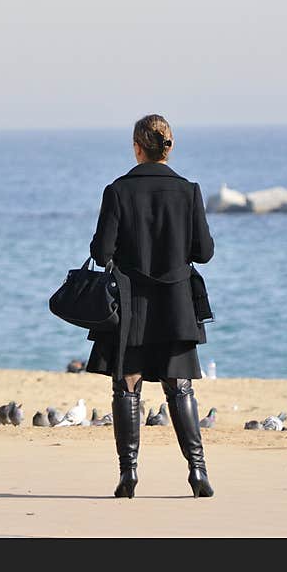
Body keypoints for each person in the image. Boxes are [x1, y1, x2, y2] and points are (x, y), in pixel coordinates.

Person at [86, 114, 215, 500]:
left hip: (130, 303)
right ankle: (197, 472)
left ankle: (129, 475)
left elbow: (100, 251)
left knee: (128, 387)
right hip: (175, 302)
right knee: (181, 387)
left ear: (137, 147)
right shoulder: (189, 190)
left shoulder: (118, 191)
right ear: (169, 148)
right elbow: (204, 253)